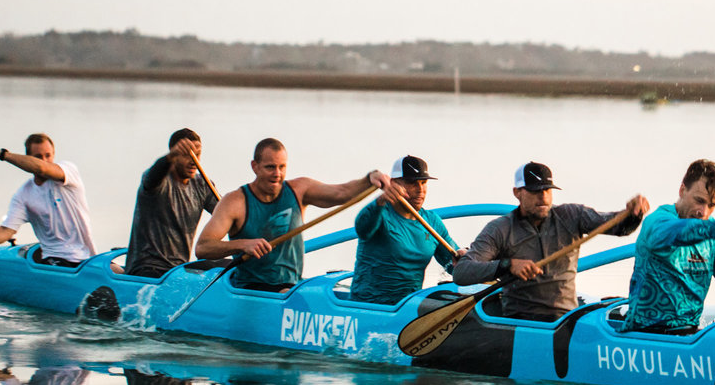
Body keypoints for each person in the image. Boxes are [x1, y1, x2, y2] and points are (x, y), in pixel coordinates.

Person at [453, 162, 649, 322]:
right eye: (535, 191)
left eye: (547, 190)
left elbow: (619, 228)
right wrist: (508, 265)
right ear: (517, 192)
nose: (543, 196)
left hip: (566, 318)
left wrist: (632, 214)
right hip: (520, 320)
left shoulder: (571, 215)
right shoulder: (500, 229)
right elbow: (462, 272)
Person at [194, 137, 392, 291]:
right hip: (251, 289)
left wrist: (368, 179)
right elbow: (203, 248)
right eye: (270, 167)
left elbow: (341, 193)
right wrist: (243, 244)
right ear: (254, 166)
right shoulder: (235, 202)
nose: (277, 174)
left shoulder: (299, 190)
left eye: (282, 167)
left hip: (291, 287)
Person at [621, 159, 715, 334]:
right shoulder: (657, 223)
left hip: (688, 333)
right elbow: (679, 233)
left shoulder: (710, 232)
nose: (703, 212)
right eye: (699, 201)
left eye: (711, 205)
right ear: (682, 190)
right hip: (646, 333)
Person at [0, 134, 95, 266]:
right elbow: (6, 231)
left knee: (114, 269)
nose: (44, 160)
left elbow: (41, 168)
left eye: (48, 155)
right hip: (55, 259)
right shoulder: (23, 194)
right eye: (38, 157)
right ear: (28, 158)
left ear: (54, 154)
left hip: (89, 259)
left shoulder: (68, 172)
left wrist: (1, 154)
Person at [348, 154, 466, 305]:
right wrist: (381, 200)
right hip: (368, 306)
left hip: (406, 311)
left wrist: (465, 260)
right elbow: (362, 228)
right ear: (394, 183)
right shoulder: (380, 213)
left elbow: (454, 266)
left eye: (423, 183)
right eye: (412, 183)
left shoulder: (432, 222)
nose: (420, 190)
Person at [122, 128, 218, 278]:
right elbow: (154, 174)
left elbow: (226, 213)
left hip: (178, 270)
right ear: (174, 155)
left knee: (221, 267)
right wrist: (170, 156)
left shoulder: (203, 185)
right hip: (147, 268)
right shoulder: (158, 181)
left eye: (197, 155)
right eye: (187, 155)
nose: (194, 161)